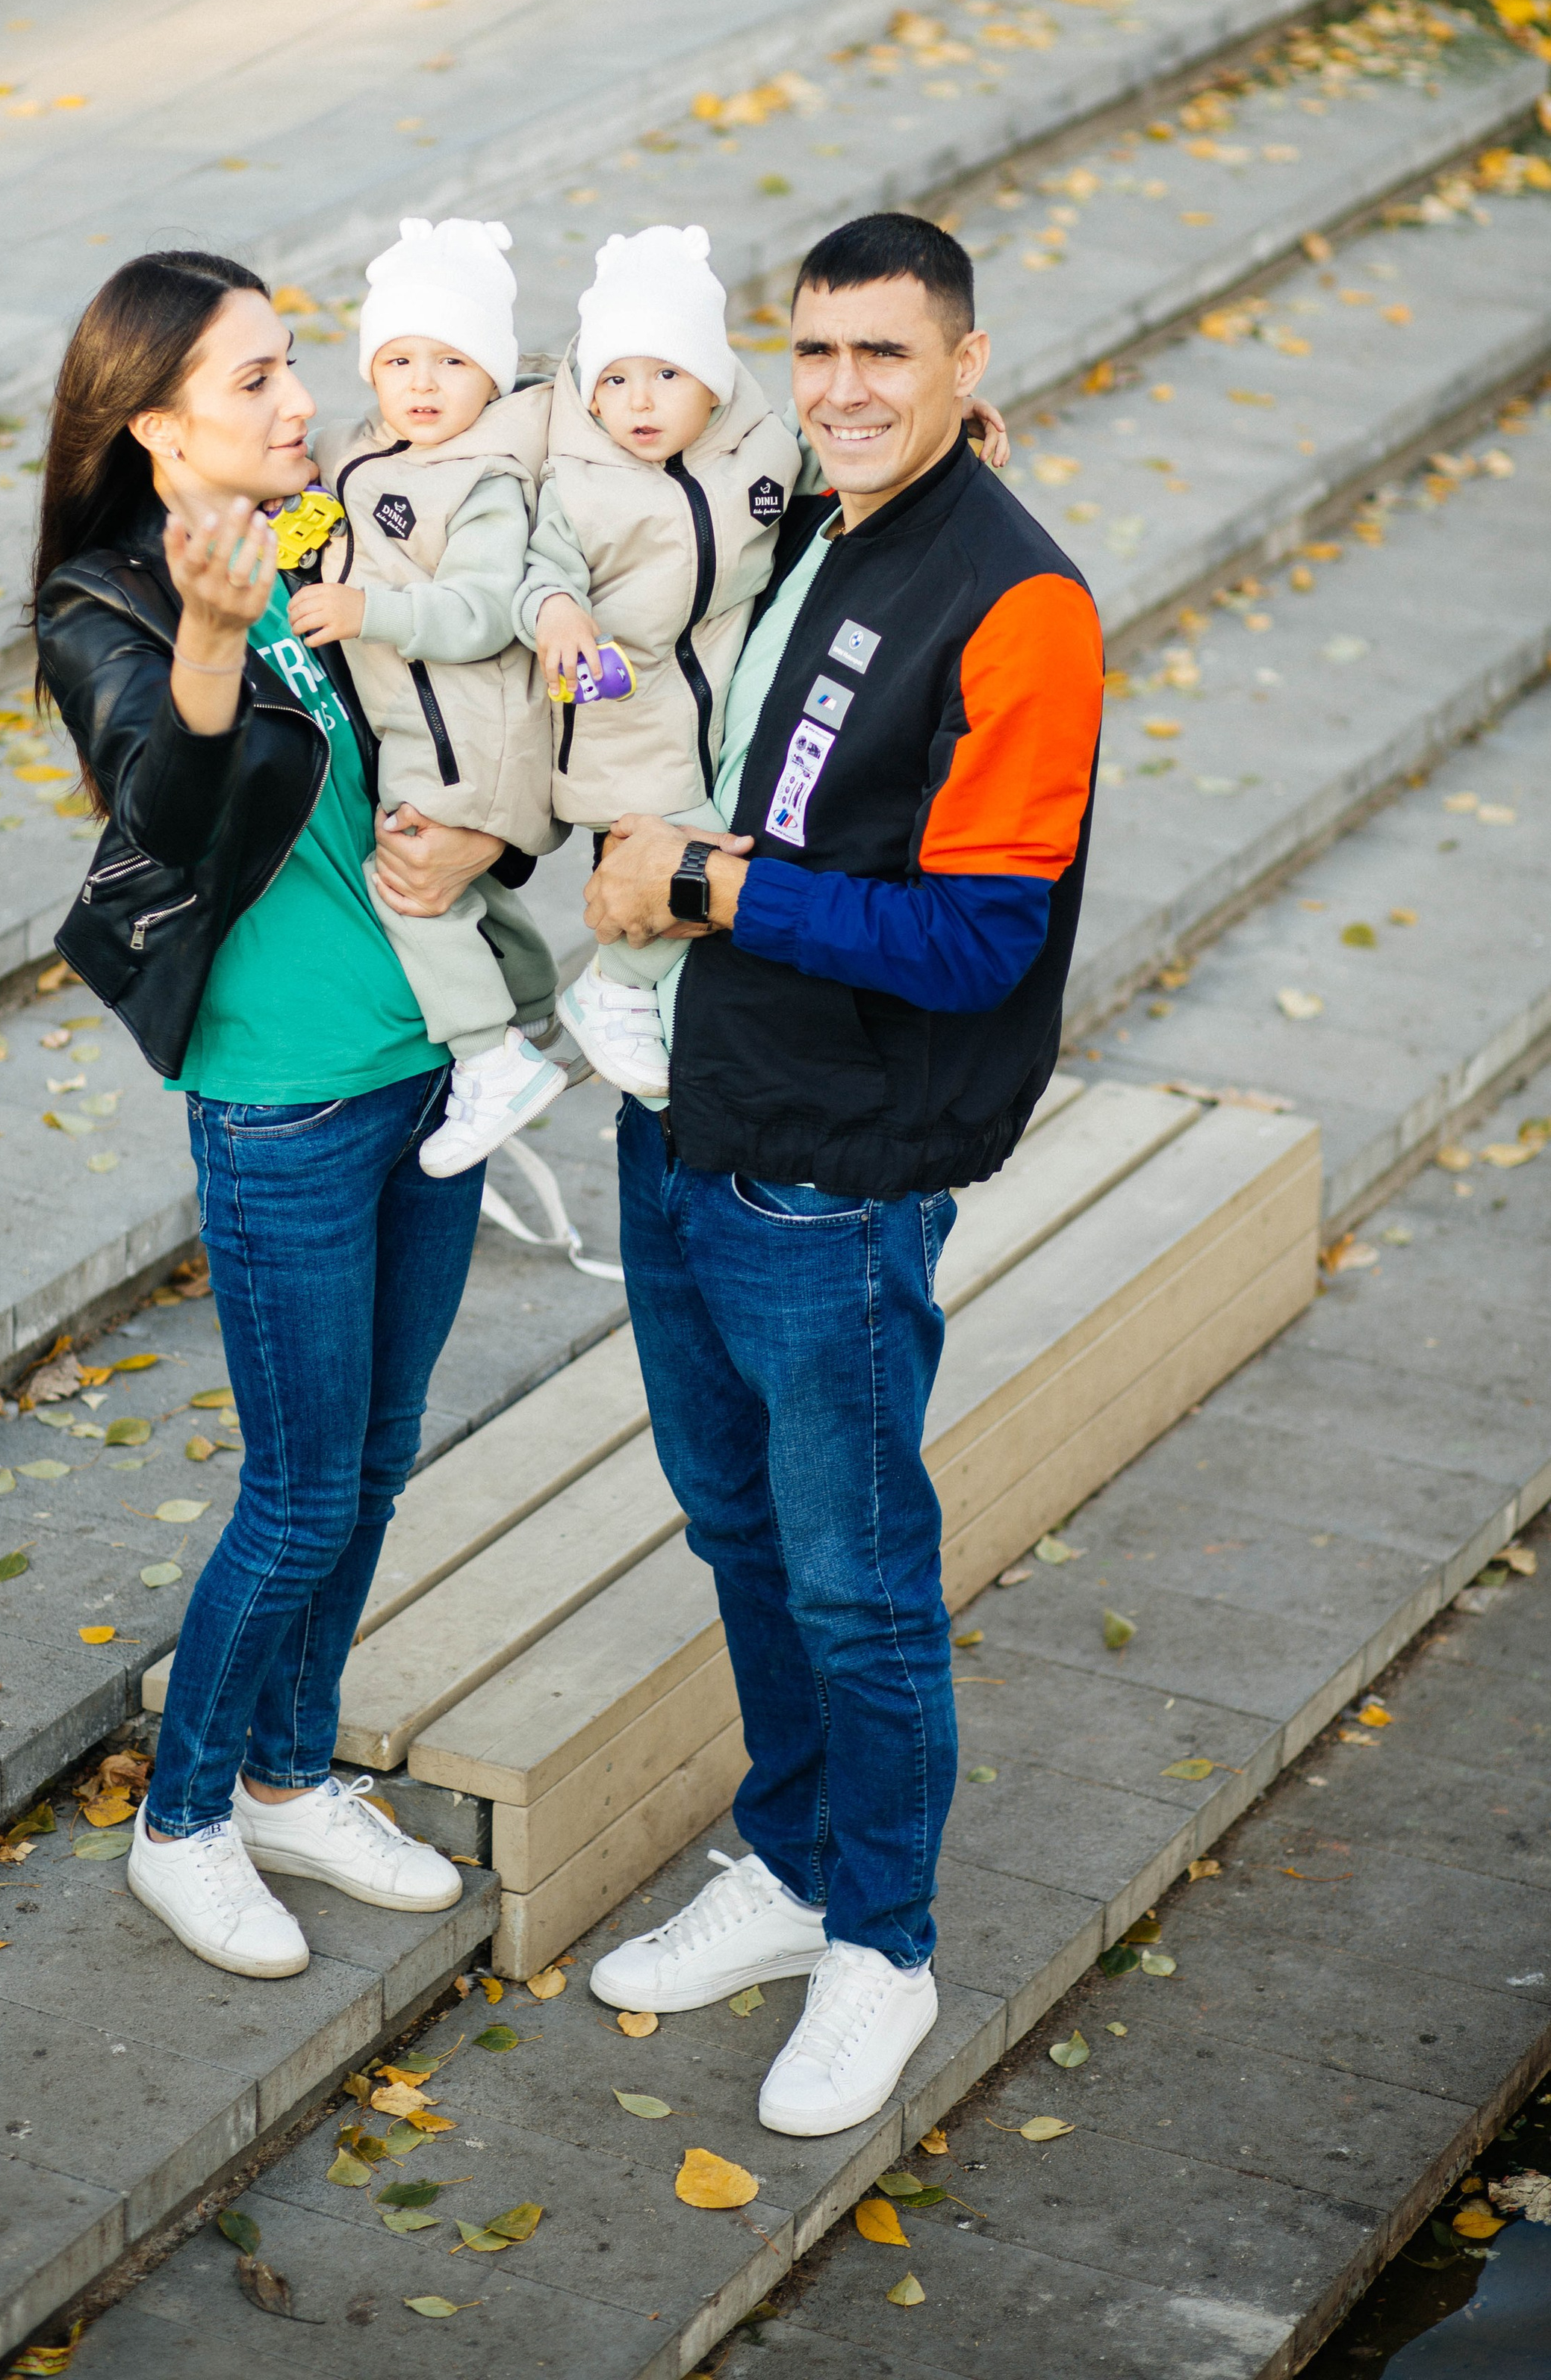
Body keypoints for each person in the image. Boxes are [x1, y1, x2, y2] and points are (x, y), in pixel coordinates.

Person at [579, 212, 1104, 2138]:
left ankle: (882, 1941)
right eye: (813, 352)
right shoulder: (813, 513)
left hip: (836, 1167)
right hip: (697, 1106)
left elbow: (976, 939)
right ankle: (792, 1866)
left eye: (884, 353)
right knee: (733, 1528)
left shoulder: (1019, 601)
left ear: (967, 364)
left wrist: (701, 880)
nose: (842, 388)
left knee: (857, 1579)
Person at [34, 249, 528, 1979]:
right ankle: (184, 1820)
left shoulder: (345, 531)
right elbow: (164, 811)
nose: (300, 397)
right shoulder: (103, 606)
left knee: (377, 1459)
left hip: (424, 1067)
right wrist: (213, 638)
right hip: (283, 1103)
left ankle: (290, 1771)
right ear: (157, 425)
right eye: (252, 380)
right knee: (304, 1482)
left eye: (290, 361)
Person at [287, 215, 568, 1181]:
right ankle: (533, 1003)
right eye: (399, 358)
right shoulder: (365, 448)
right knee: (465, 892)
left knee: (405, 887)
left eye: (451, 361)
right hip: (425, 732)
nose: (420, 382)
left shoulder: (483, 477)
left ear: (491, 376)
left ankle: (491, 1059)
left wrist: (371, 608)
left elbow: (488, 610)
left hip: (472, 737)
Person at [517, 223, 812, 1108]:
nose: (638, 402)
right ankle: (614, 984)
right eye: (614, 379)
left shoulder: (760, 444)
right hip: (624, 715)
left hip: (719, 694)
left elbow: (832, 449)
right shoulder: (579, 479)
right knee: (691, 851)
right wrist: (559, 608)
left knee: (730, 831)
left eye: (666, 375)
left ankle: (635, 994)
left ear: (713, 383)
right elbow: (539, 571)